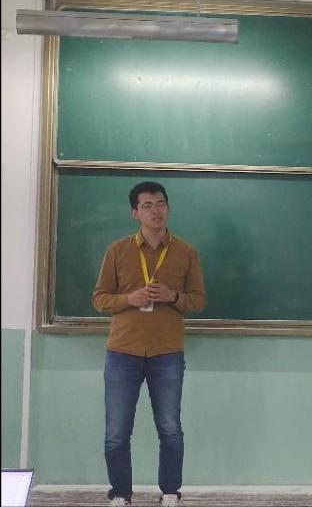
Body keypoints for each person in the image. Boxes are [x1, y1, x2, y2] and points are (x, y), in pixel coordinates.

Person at [93, 182, 206, 507]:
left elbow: (198, 300)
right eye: (147, 206)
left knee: (170, 427)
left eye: (160, 204)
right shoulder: (117, 250)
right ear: (135, 213)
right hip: (123, 351)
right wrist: (129, 299)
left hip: (166, 352)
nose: (155, 211)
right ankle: (120, 493)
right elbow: (99, 298)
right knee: (116, 431)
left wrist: (174, 296)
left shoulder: (186, 251)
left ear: (168, 208)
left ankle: (170, 491)